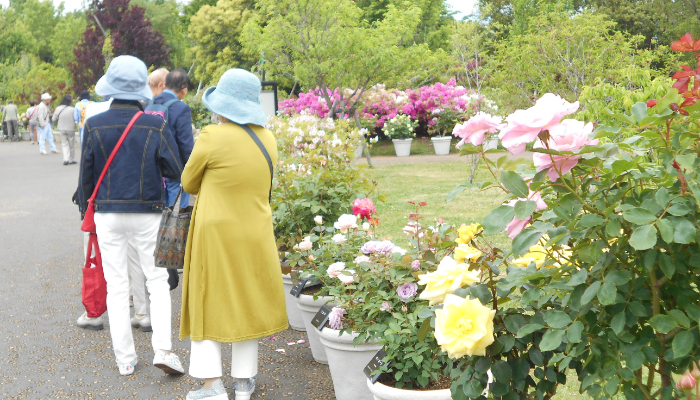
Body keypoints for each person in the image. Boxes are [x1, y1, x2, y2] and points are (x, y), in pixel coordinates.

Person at [180, 69, 288, 400]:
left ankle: (212, 387)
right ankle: (244, 382)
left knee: (207, 299)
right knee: (247, 301)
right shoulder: (267, 138)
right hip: (255, 232)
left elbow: (188, 182)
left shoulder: (212, 136)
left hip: (215, 234)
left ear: (222, 105)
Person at [78, 55, 185, 376]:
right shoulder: (154, 124)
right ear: (142, 89)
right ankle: (163, 350)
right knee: (156, 280)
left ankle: (125, 359)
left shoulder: (93, 124)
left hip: (107, 214)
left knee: (116, 285)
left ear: (110, 88)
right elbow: (174, 168)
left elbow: (86, 177)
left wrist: (87, 213)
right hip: (148, 212)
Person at [152, 69, 194, 208]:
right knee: (175, 219)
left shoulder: (149, 105)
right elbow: (186, 145)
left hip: (151, 170)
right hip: (173, 172)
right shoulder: (181, 108)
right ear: (184, 90)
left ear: (165, 84)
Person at [53, 95, 77, 165]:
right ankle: (71, 159)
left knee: (64, 144)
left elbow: (54, 119)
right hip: (71, 129)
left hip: (61, 128)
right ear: (70, 101)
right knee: (71, 144)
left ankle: (65, 159)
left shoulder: (58, 108)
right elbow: (76, 118)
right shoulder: (73, 109)